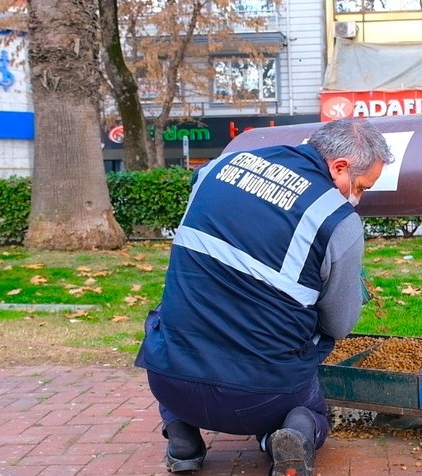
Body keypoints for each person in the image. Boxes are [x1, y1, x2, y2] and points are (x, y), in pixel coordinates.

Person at [135, 118, 393, 476]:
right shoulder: (337, 220)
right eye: (361, 187)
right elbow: (339, 323)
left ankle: (182, 436)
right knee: (312, 411)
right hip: (261, 397)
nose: (358, 198)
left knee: (173, 319)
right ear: (339, 167)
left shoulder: (214, 170)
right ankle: (287, 436)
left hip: (169, 380)